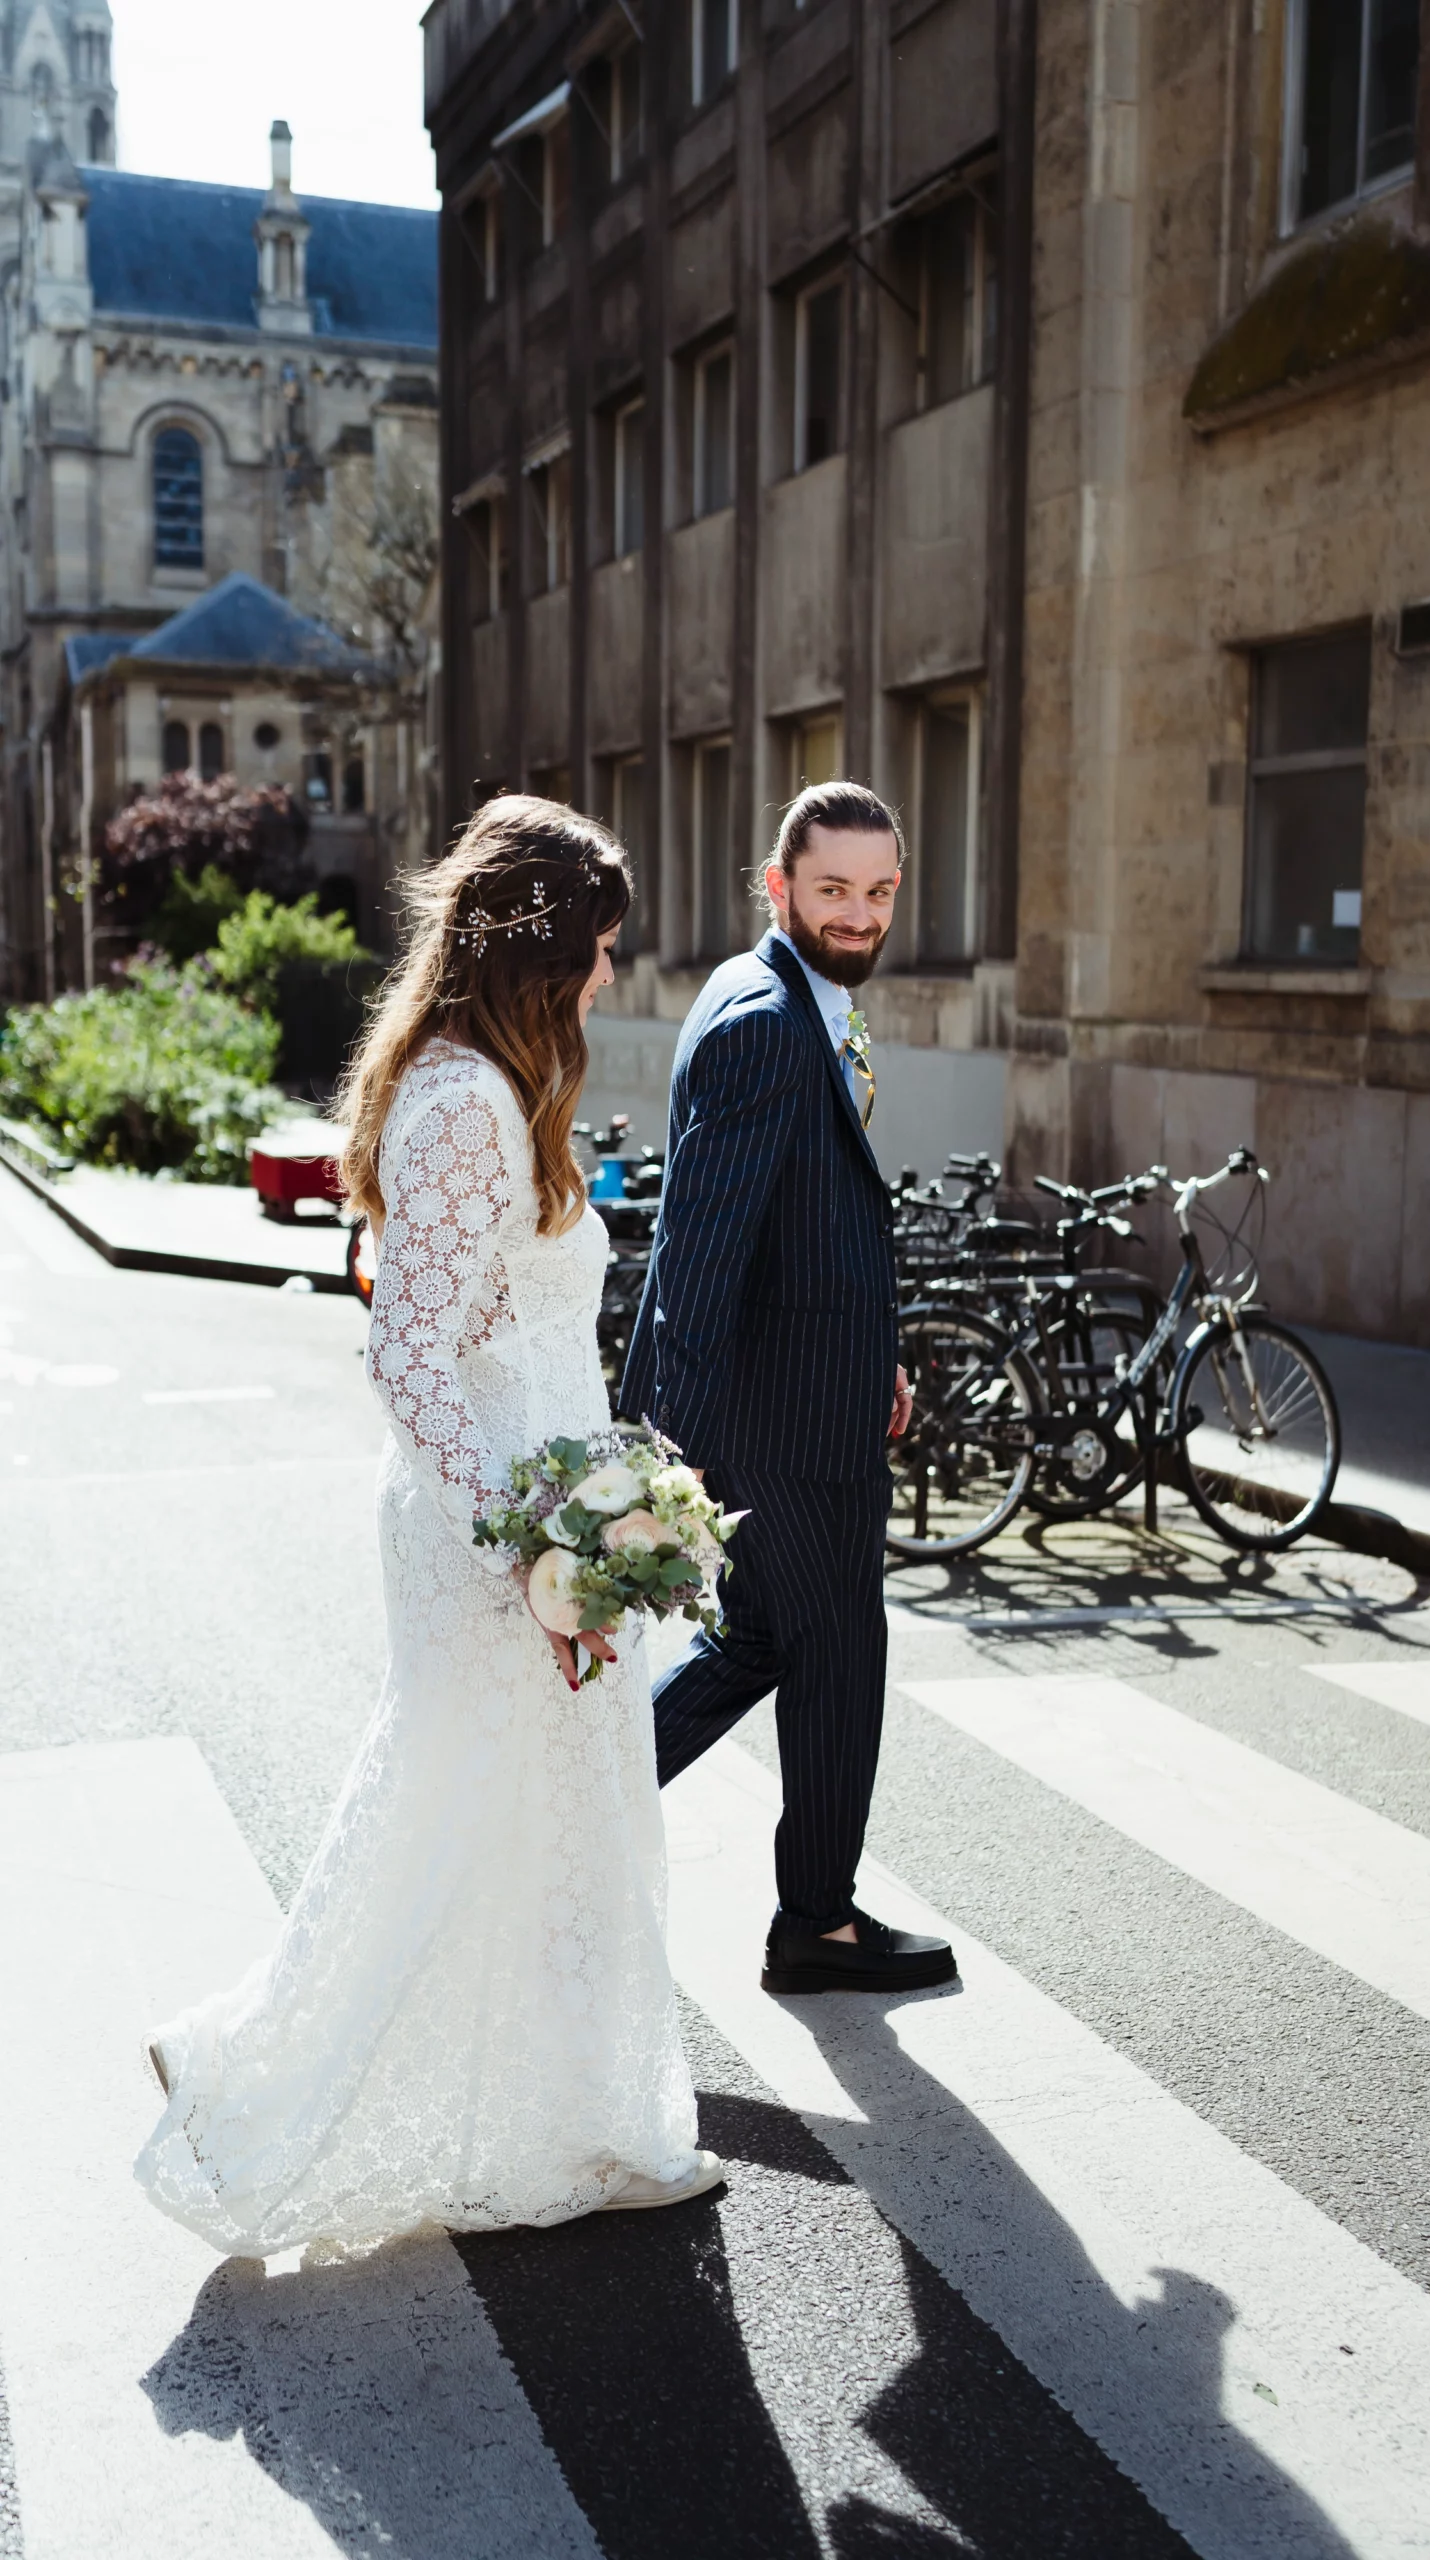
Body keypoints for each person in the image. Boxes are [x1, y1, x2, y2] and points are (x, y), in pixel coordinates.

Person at [135, 795, 721, 2256]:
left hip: (527, 1511)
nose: (604, 976)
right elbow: (410, 1355)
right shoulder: (464, 1107)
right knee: (464, 1819)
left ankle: (564, 2114)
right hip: (499, 1537)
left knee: (511, 1821)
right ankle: (252, 2082)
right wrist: (532, 1550)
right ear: (541, 954)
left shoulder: (479, 1084)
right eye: (595, 948)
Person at [621, 782, 957, 1997]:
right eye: (832, 890)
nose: (859, 915)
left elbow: (812, 1224)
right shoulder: (767, 1018)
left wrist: (883, 1361)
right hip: (781, 1431)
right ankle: (817, 1922)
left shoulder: (776, 994)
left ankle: (566, 1807)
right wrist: (680, 1455)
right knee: (839, 1656)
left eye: (878, 891)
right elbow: (702, 1252)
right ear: (780, 886)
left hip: (814, 1394)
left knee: (760, 1637)